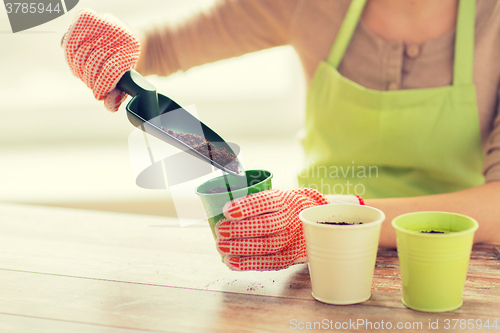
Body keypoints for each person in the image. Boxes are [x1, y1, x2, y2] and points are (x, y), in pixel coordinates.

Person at [62, 0, 500, 271]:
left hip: (452, 264)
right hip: (316, 261)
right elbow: (159, 46)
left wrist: (330, 216)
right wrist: (107, 43)